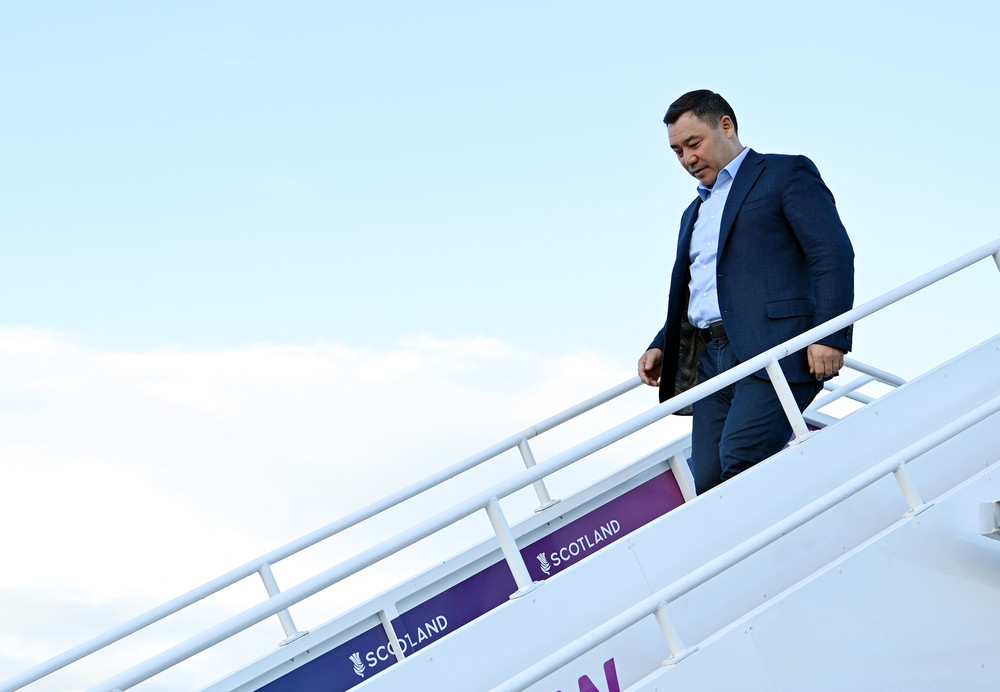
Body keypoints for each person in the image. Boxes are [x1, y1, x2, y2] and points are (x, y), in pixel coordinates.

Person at [638, 90, 854, 495]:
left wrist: (830, 335)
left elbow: (831, 253)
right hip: (710, 359)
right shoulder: (693, 212)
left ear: (726, 126)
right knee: (709, 483)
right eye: (677, 151)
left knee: (740, 463)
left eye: (694, 143)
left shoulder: (785, 173)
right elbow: (703, 287)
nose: (687, 159)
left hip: (777, 348)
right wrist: (662, 343)